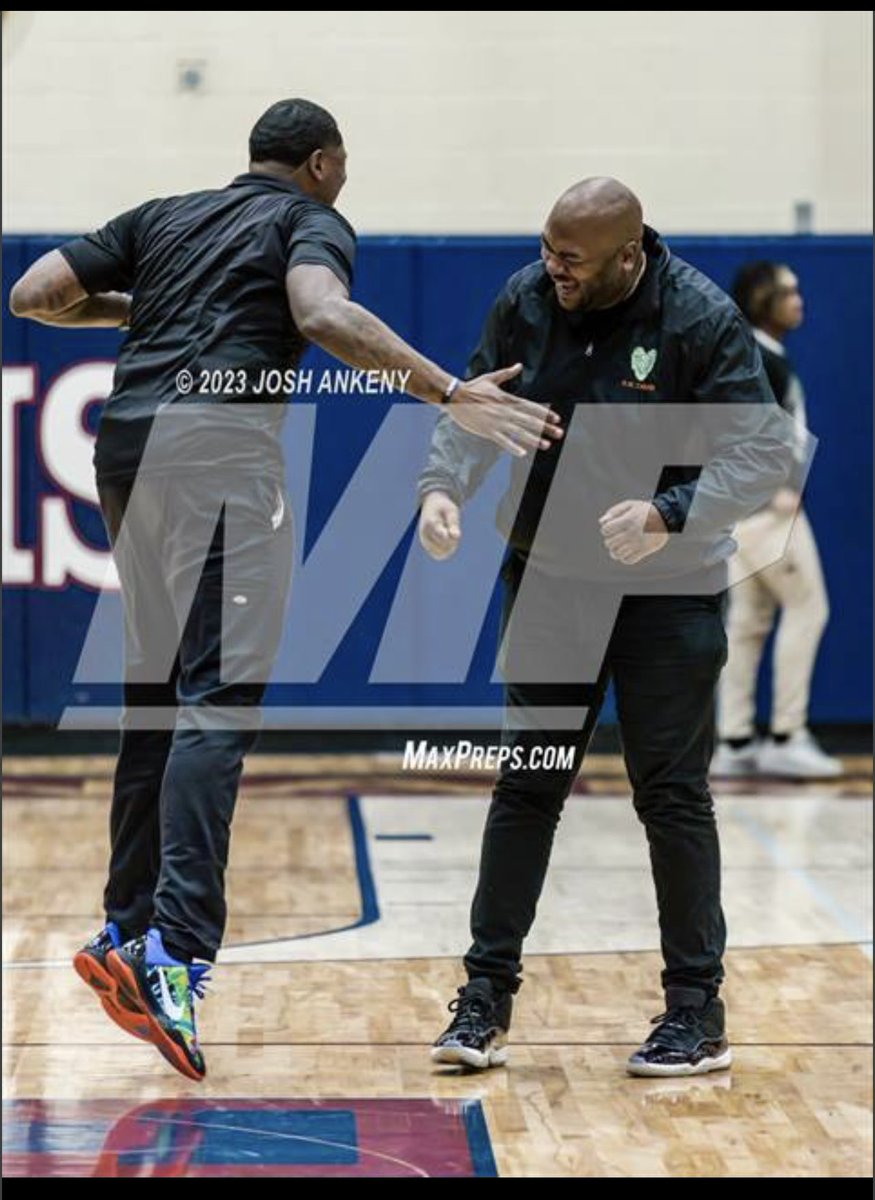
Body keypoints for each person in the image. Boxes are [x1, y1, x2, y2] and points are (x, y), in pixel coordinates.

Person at [9, 97, 562, 1082]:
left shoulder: (164, 216)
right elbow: (321, 314)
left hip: (127, 450)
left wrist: (147, 307)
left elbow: (33, 294)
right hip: (220, 455)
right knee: (217, 700)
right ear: (319, 162)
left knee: (155, 694)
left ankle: (124, 927)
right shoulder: (309, 220)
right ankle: (175, 954)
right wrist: (450, 392)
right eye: (342, 165)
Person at [417, 178, 792, 1077]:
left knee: (671, 797)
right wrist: (441, 487)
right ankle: (482, 1000)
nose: (553, 269)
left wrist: (669, 512)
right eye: (547, 250)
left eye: (571, 259)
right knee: (526, 787)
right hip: (549, 581)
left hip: (669, 592)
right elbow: (477, 404)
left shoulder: (699, 318)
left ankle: (695, 1013)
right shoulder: (525, 298)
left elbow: (762, 451)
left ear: (629, 255)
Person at [710, 262, 841, 779]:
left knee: (747, 623)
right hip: (766, 514)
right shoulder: (760, 360)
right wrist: (778, 490)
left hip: (737, 517)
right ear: (762, 299)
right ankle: (788, 734)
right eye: (788, 291)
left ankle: (735, 740)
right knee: (809, 608)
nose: (798, 300)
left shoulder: (753, 355)